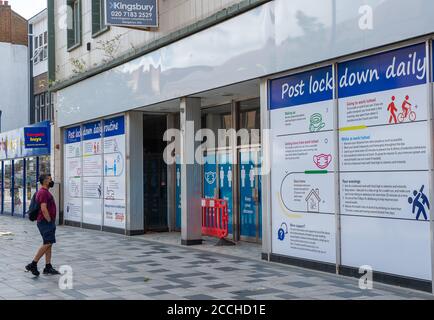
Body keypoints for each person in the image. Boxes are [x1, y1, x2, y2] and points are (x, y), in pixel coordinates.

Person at [25, 174, 60, 276]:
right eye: (50, 179)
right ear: (45, 181)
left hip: (47, 222)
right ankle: (33, 263)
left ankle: (48, 267)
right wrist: (49, 221)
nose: (51, 181)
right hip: (45, 222)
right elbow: (44, 208)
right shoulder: (43, 193)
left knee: (49, 243)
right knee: (48, 243)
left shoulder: (45, 192)